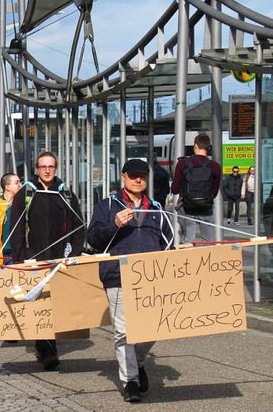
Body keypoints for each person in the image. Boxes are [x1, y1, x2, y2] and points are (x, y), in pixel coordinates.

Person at [87, 159, 173, 403]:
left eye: (142, 177)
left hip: (150, 278)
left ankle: (139, 361)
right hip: (117, 275)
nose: (138, 180)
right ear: (123, 177)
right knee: (123, 332)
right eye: (133, 176)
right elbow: (93, 238)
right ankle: (130, 382)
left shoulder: (155, 208)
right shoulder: (107, 206)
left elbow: (168, 244)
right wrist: (114, 224)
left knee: (154, 326)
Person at [10, 151, 85, 371]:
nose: (47, 170)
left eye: (51, 166)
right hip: (32, 256)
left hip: (59, 256)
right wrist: (19, 257)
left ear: (56, 168)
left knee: (53, 303)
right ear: (36, 169)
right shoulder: (26, 192)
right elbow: (15, 228)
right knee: (38, 303)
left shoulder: (65, 194)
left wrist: (74, 255)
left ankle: (47, 349)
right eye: (43, 167)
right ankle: (46, 350)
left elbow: (79, 225)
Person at [170, 133, 221, 244]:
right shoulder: (215, 166)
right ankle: (209, 260)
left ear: (195, 146)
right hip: (206, 208)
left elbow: (174, 190)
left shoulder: (182, 164)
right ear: (208, 148)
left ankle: (187, 261)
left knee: (188, 240)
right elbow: (215, 193)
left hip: (187, 208)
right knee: (209, 242)